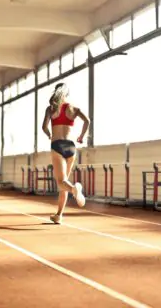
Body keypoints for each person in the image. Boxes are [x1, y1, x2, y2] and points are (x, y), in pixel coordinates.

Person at [42, 82, 90, 224]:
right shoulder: (74, 109)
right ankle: (59, 215)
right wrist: (81, 136)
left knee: (62, 182)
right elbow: (87, 121)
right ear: (67, 94)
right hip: (71, 147)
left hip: (57, 145)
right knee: (64, 182)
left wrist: (49, 133)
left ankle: (75, 190)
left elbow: (44, 126)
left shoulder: (51, 109)